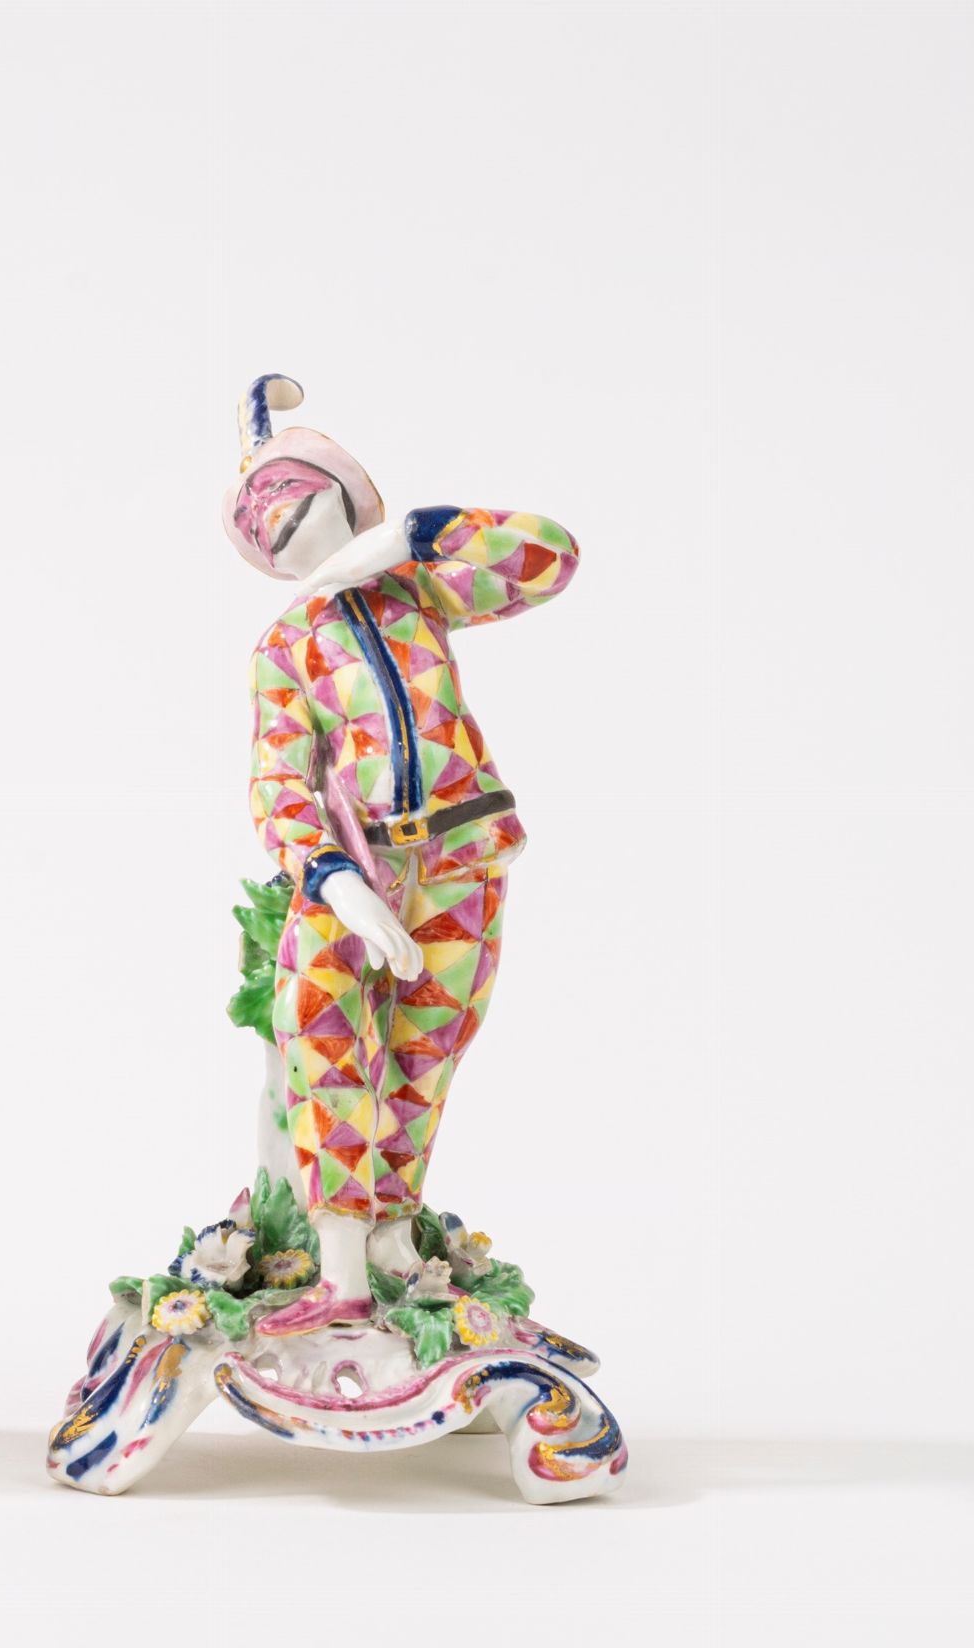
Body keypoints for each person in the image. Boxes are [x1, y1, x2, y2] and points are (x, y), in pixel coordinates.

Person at [226, 374, 578, 1331]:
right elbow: (278, 782)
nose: (293, 533)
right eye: (271, 530)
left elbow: (550, 557)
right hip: (357, 869)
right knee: (322, 1033)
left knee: (427, 1050)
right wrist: (332, 879)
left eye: (305, 507)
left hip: (463, 856)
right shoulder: (288, 647)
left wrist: (419, 534)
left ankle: (392, 1233)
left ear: (346, 497)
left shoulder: (419, 592)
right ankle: (339, 1265)